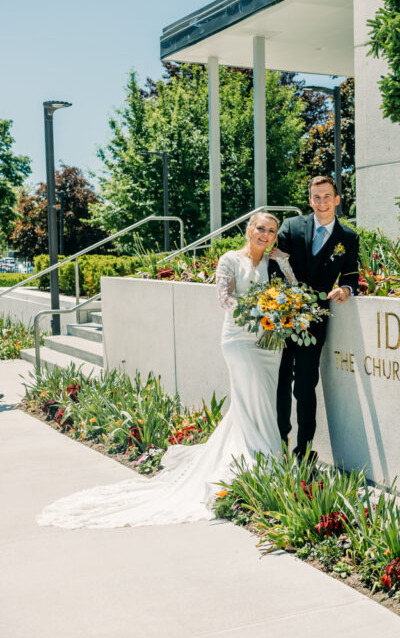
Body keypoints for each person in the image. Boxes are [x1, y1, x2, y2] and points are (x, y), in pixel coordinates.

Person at [38, 213, 296, 528]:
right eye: (260, 228)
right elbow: (225, 300)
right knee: (250, 399)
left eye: (271, 231)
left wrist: (283, 263)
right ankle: (261, 463)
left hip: (269, 344)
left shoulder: (273, 263)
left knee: (261, 402)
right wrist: (257, 309)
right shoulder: (230, 259)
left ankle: (257, 459)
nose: (265, 235)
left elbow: (293, 293)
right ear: (249, 229)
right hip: (239, 341)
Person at [273, 175, 359, 459]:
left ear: (337, 199)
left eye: (327, 196)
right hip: (283, 318)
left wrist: (346, 289)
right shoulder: (291, 227)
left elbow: (351, 275)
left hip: (316, 321)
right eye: (316, 197)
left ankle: (304, 450)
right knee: (281, 381)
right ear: (310, 201)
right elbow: (274, 267)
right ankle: (279, 443)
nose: (322, 202)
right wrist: (283, 302)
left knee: (305, 385)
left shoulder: (348, 237)